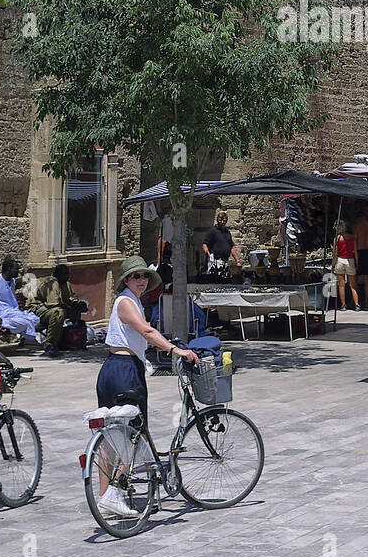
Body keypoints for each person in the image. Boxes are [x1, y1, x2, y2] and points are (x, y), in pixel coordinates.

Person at [94, 256, 198, 519]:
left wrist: (160, 343)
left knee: (113, 435)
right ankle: (113, 495)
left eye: (144, 277)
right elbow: (146, 332)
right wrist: (176, 350)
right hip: (124, 371)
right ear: (126, 280)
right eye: (136, 277)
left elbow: (142, 338)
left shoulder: (134, 302)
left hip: (115, 368)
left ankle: (105, 499)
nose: (141, 281)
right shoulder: (126, 302)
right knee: (131, 434)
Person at [0, 257, 42, 340]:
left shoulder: (11, 282)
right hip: (0, 313)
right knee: (25, 323)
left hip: (12, 313)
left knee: (35, 320)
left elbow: (16, 283)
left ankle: (1, 322)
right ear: (9, 269)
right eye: (16, 269)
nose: (18, 271)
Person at [36, 259, 86, 356]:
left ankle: (70, 340)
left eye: (68, 274)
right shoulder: (51, 283)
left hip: (53, 308)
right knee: (58, 313)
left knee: (75, 311)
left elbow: (71, 298)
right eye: (64, 275)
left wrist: (77, 305)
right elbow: (54, 303)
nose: (67, 277)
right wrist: (69, 307)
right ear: (57, 274)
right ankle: (50, 343)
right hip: (39, 309)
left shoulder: (65, 284)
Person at [202, 212, 242, 278]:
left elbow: (232, 247)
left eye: (224, 221)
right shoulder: (212, 231)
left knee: (224, 280)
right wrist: (208, 254)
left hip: (225, 261)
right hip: (214, 261)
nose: (222, 222)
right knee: (214, 280)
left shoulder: (227, 232)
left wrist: (237, 260)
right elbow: (205, 244)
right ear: (217, 220)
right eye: (220, 220)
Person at [352, 209, 368, 309]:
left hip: (360, 252)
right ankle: (367, 301)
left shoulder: (357, 227)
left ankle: (356, 301)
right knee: (367, 279)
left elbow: (354, 243)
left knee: (356, 279)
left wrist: (356, 258)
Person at [333, 220, 359, 310]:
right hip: (350, 260)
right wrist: (357, 262)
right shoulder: (352, 237)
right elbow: (355, 251)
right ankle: (356, 304)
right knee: (353, 285)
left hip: (340, 260)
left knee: (341, 285)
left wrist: (333, 264)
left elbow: (335, 253)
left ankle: (343, 304)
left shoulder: (336, 238)